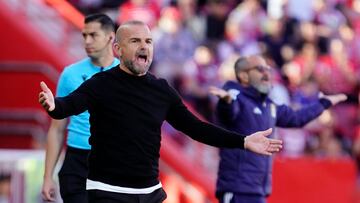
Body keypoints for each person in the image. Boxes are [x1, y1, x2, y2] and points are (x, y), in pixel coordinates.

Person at [38, 21, 282, 203]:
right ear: (118, 49)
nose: (144, 46)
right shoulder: (100, 84)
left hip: (149, 193)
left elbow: (196, 128)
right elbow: (68, 106)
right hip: (106, 192)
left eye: (148, 41)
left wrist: (243, 141)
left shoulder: (161, 89)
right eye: (135, 41)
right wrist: (53, 105)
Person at [209, 55, 347, 203]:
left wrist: (324, 103)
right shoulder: (235, 97)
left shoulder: (268, 105)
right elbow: (229, 111)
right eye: (260, 69)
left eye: (268, 69)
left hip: (258, 191)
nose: (267, 73)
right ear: (244, 76)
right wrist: (226, 103)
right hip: (237, 189)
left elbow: (296, 118)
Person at [41, 13, 120, 203]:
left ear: (111, 37)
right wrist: (47, 177)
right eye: (84, 35)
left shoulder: (125, 74)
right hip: (76, 161)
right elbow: (57, 129)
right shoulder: (70, 74)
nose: (87, 41)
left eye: (93, 35)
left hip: (113, 162)